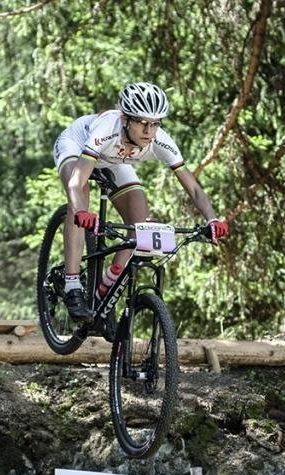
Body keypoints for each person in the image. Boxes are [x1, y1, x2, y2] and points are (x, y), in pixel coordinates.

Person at [51, 81, 229, 322]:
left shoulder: (161, 140)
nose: (149, 130)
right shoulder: (106, 129)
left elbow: (194, 189)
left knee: (140, 222)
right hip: (78, 146)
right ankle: (72, 284)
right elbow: (75, 181)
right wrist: (82, 211)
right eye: (142, 122)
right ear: (125, 119)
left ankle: (105, 288)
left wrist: (212, 219)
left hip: (114, 160)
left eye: (155, 123)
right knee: (80, 198)